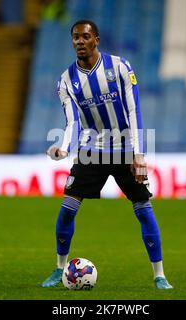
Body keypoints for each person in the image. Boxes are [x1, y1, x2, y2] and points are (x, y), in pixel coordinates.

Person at [42, 20, 173, 289]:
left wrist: (139, 153)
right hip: (92, 152)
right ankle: (58, 269)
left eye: (85, 36)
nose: (79, 41)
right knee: (67, 209)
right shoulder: (66, 81)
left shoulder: (120, 67)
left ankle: (159, 275)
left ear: (96, 40)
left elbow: (134, 109)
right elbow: (72, 121)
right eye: (75, 37)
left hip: (125, 148)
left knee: (143, 209)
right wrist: (64, 148)